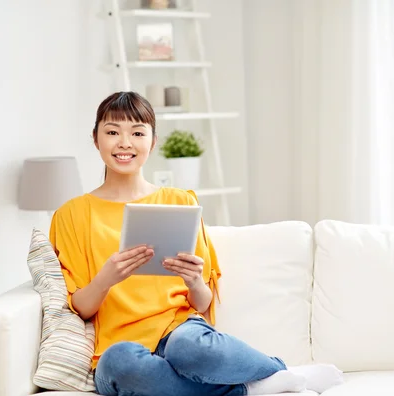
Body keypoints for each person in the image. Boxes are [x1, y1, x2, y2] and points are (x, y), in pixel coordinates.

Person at [49, 91, 344, 396]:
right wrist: (106, 279)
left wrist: (192, 279)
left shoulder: (180, 201)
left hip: (180, 331)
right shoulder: (71, 214)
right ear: (96, 139)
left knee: (188, 346)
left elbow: (202, 302)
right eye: (112, 132)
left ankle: (275, 370)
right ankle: (251, 387)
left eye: (137, 132)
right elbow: (80, 308)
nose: (125, 142)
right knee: (120, 363)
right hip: (121, 349)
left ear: (153, 141)